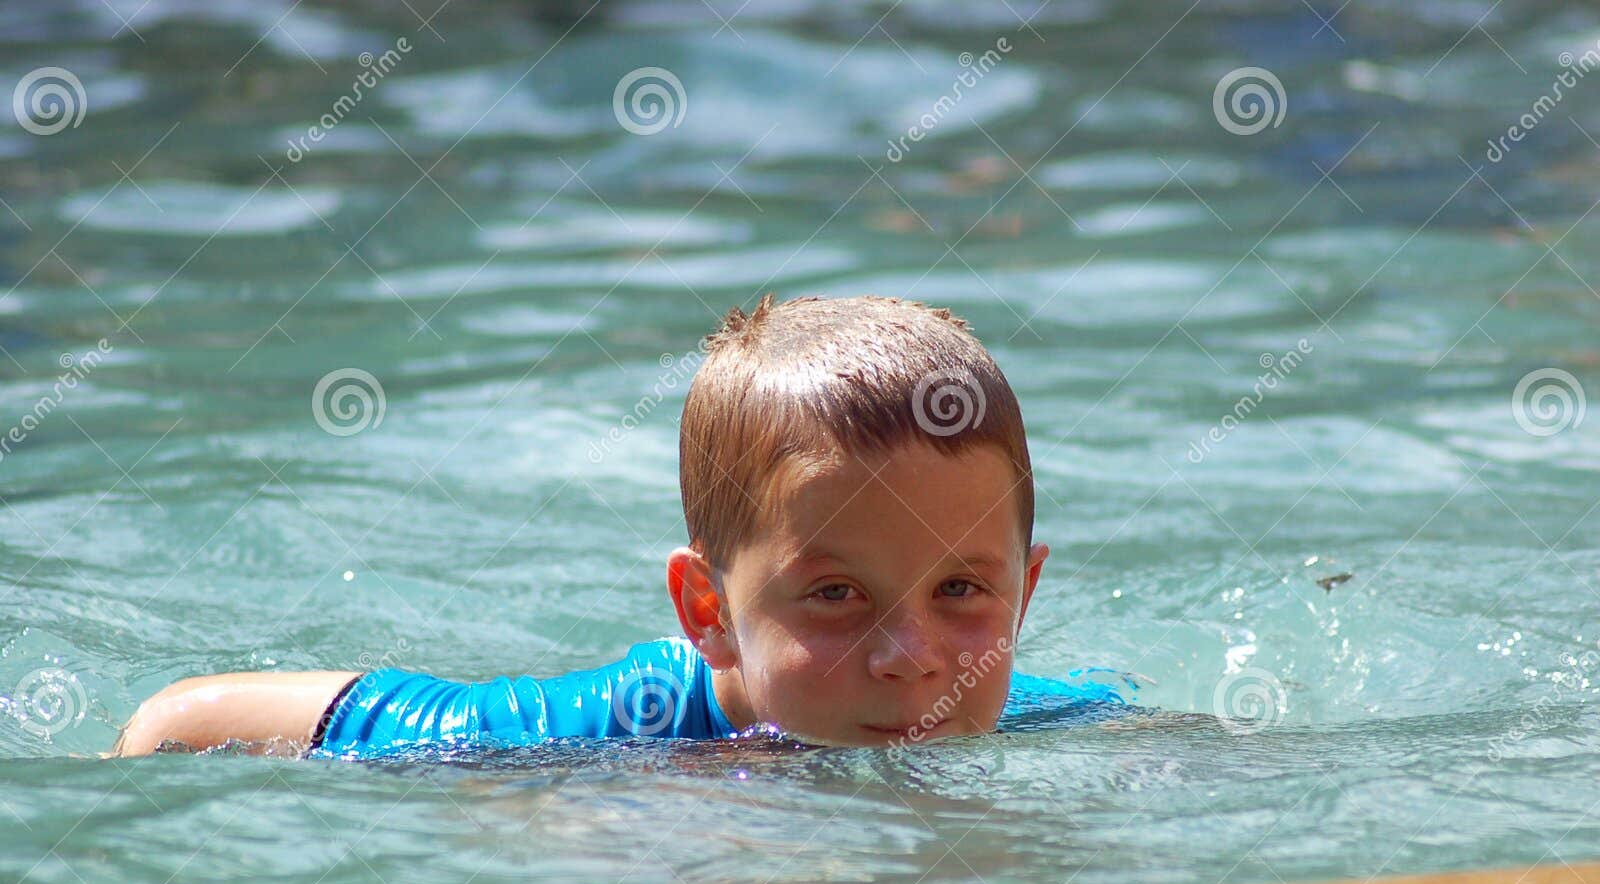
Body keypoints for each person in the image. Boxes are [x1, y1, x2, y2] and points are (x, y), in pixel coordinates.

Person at [115, 294, 1135, 760]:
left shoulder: (1043, 718)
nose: (910, 657)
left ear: (1025, 589)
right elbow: (180, 719)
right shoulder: (615, 726)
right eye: (836, 593)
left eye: (961, 590)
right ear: (709, 608)